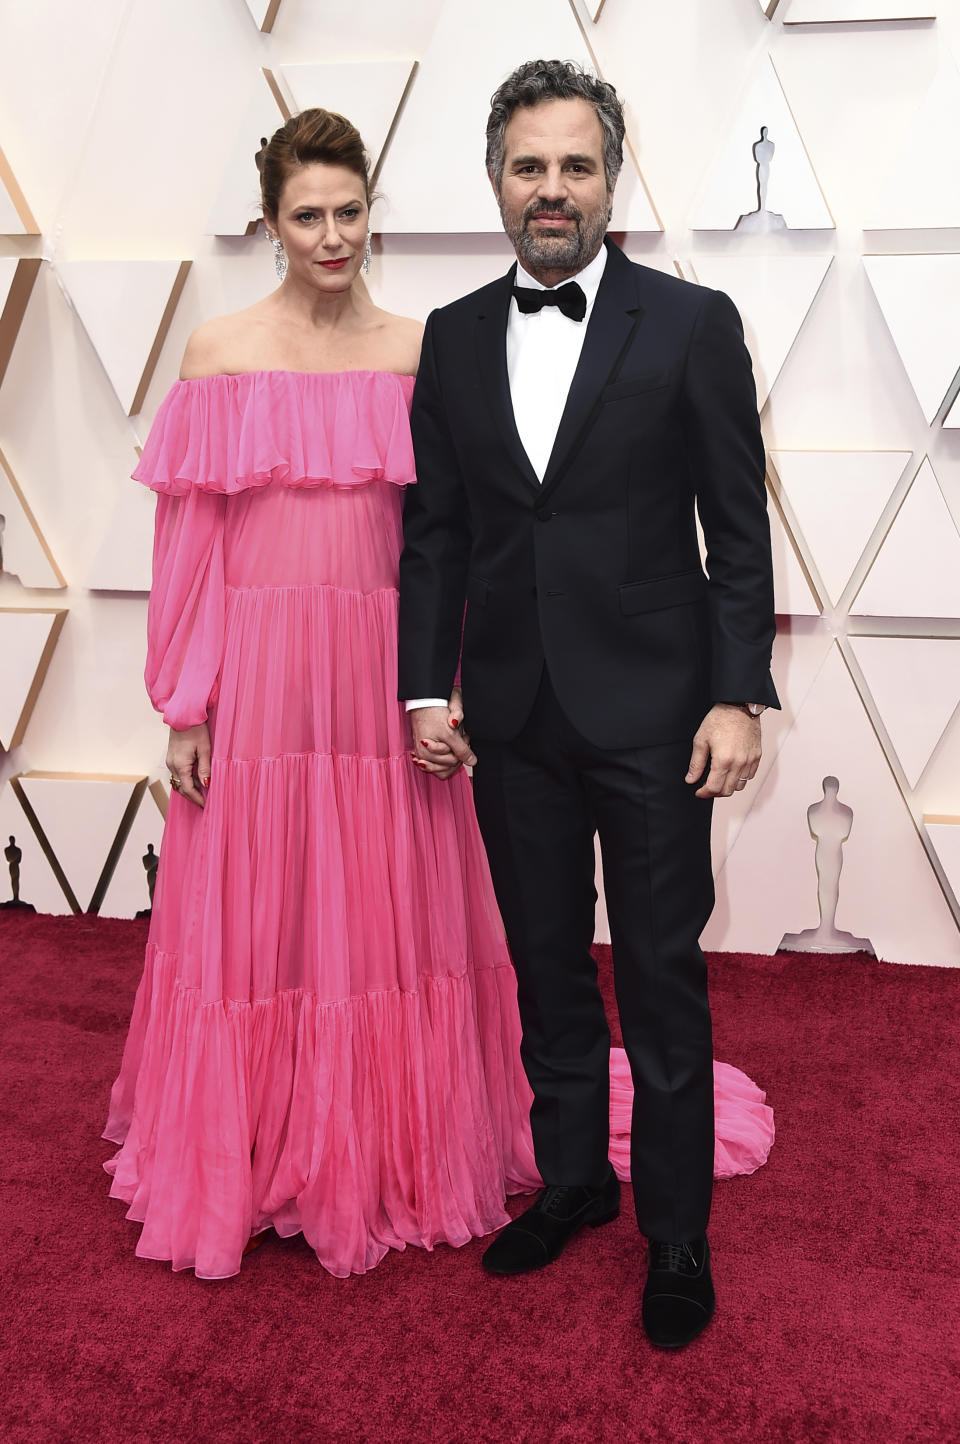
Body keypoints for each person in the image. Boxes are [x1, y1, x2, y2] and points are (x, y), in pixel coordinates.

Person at [102, 107, 541, 1280]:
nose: (333, 234)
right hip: (257, 682)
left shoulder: (417, 351)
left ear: (370, 213)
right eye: (310, 215)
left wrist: (439, 688)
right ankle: (259, 1144)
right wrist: (185, 703)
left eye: (350, 212)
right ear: (271, 222)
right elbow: (188, 551)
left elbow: (446, 537)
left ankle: (387, 1153)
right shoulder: (219, 353)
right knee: (263, 921)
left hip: (382, 679)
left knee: (386, 918)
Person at [398, 60, 779, 1348]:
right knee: (548, 969)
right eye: (528, 166)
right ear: (496, 180)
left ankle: (676, 1231)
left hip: (660, 715)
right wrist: (421, 684)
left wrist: (738, 696)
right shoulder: (450, 336)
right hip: (508, 712)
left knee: (662, 975)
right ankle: (574, 1179)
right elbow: (436, 532)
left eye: (575, 165)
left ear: (612, 179)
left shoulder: (691, 321)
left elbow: (737, 527)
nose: (551, 189)